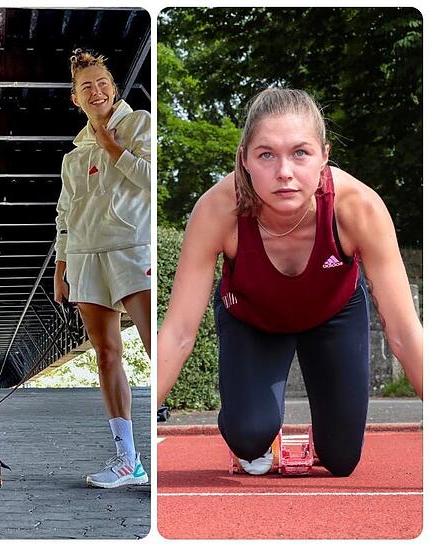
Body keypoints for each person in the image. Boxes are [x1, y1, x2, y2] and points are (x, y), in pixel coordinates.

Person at [157, 88, 422, 476]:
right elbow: (179, 332)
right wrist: (140, 429)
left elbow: (403, 332)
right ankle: (249, 431)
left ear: (324, 156)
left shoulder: (358, 208)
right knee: (250, 436)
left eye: (300, 153)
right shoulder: (217, 210)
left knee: (342, 459)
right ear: (245, 159)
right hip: (253, 318)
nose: (284, 172)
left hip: (333, 313)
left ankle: (325, 439)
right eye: (266, 154)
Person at [53, 49, 151, 488]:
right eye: (85, 86)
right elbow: (65, 212)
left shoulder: (140, 124)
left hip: (132, 247)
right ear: (75, 98)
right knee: (107, 354)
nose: (96, 91)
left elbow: (151, 179)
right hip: (86, 255)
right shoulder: (72, 156)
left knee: (157, 347)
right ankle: (128, 460)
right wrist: (62, 264)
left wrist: (113, 147)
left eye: (102, 82)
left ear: (114, 87)